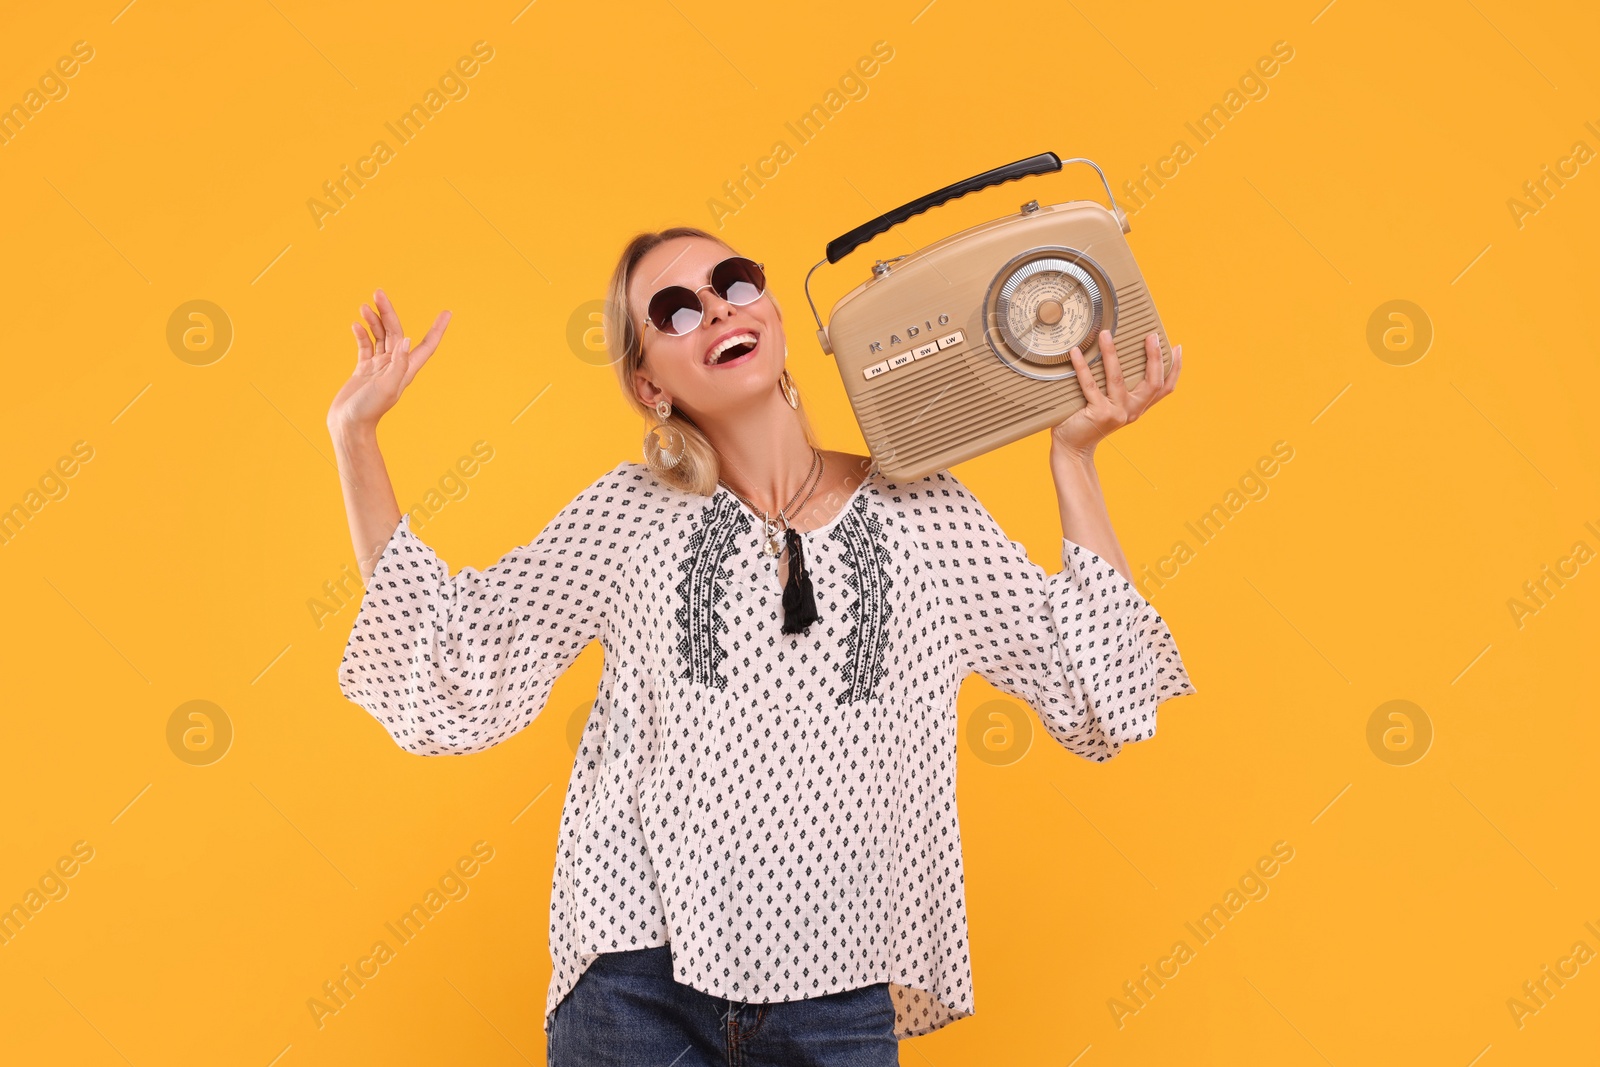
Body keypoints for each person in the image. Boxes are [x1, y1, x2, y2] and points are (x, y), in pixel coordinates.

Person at [327, 225, 1195, 1067]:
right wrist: (355, 436)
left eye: (734, 282)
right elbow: (456, 661)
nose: (715, 309)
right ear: (647, 385)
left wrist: (1075, 461)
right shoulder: (630, 514)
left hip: (843, 987)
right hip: (638, 975)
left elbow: (1099, 695)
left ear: (775, 315)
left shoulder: (924, 512)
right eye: (673, 309)